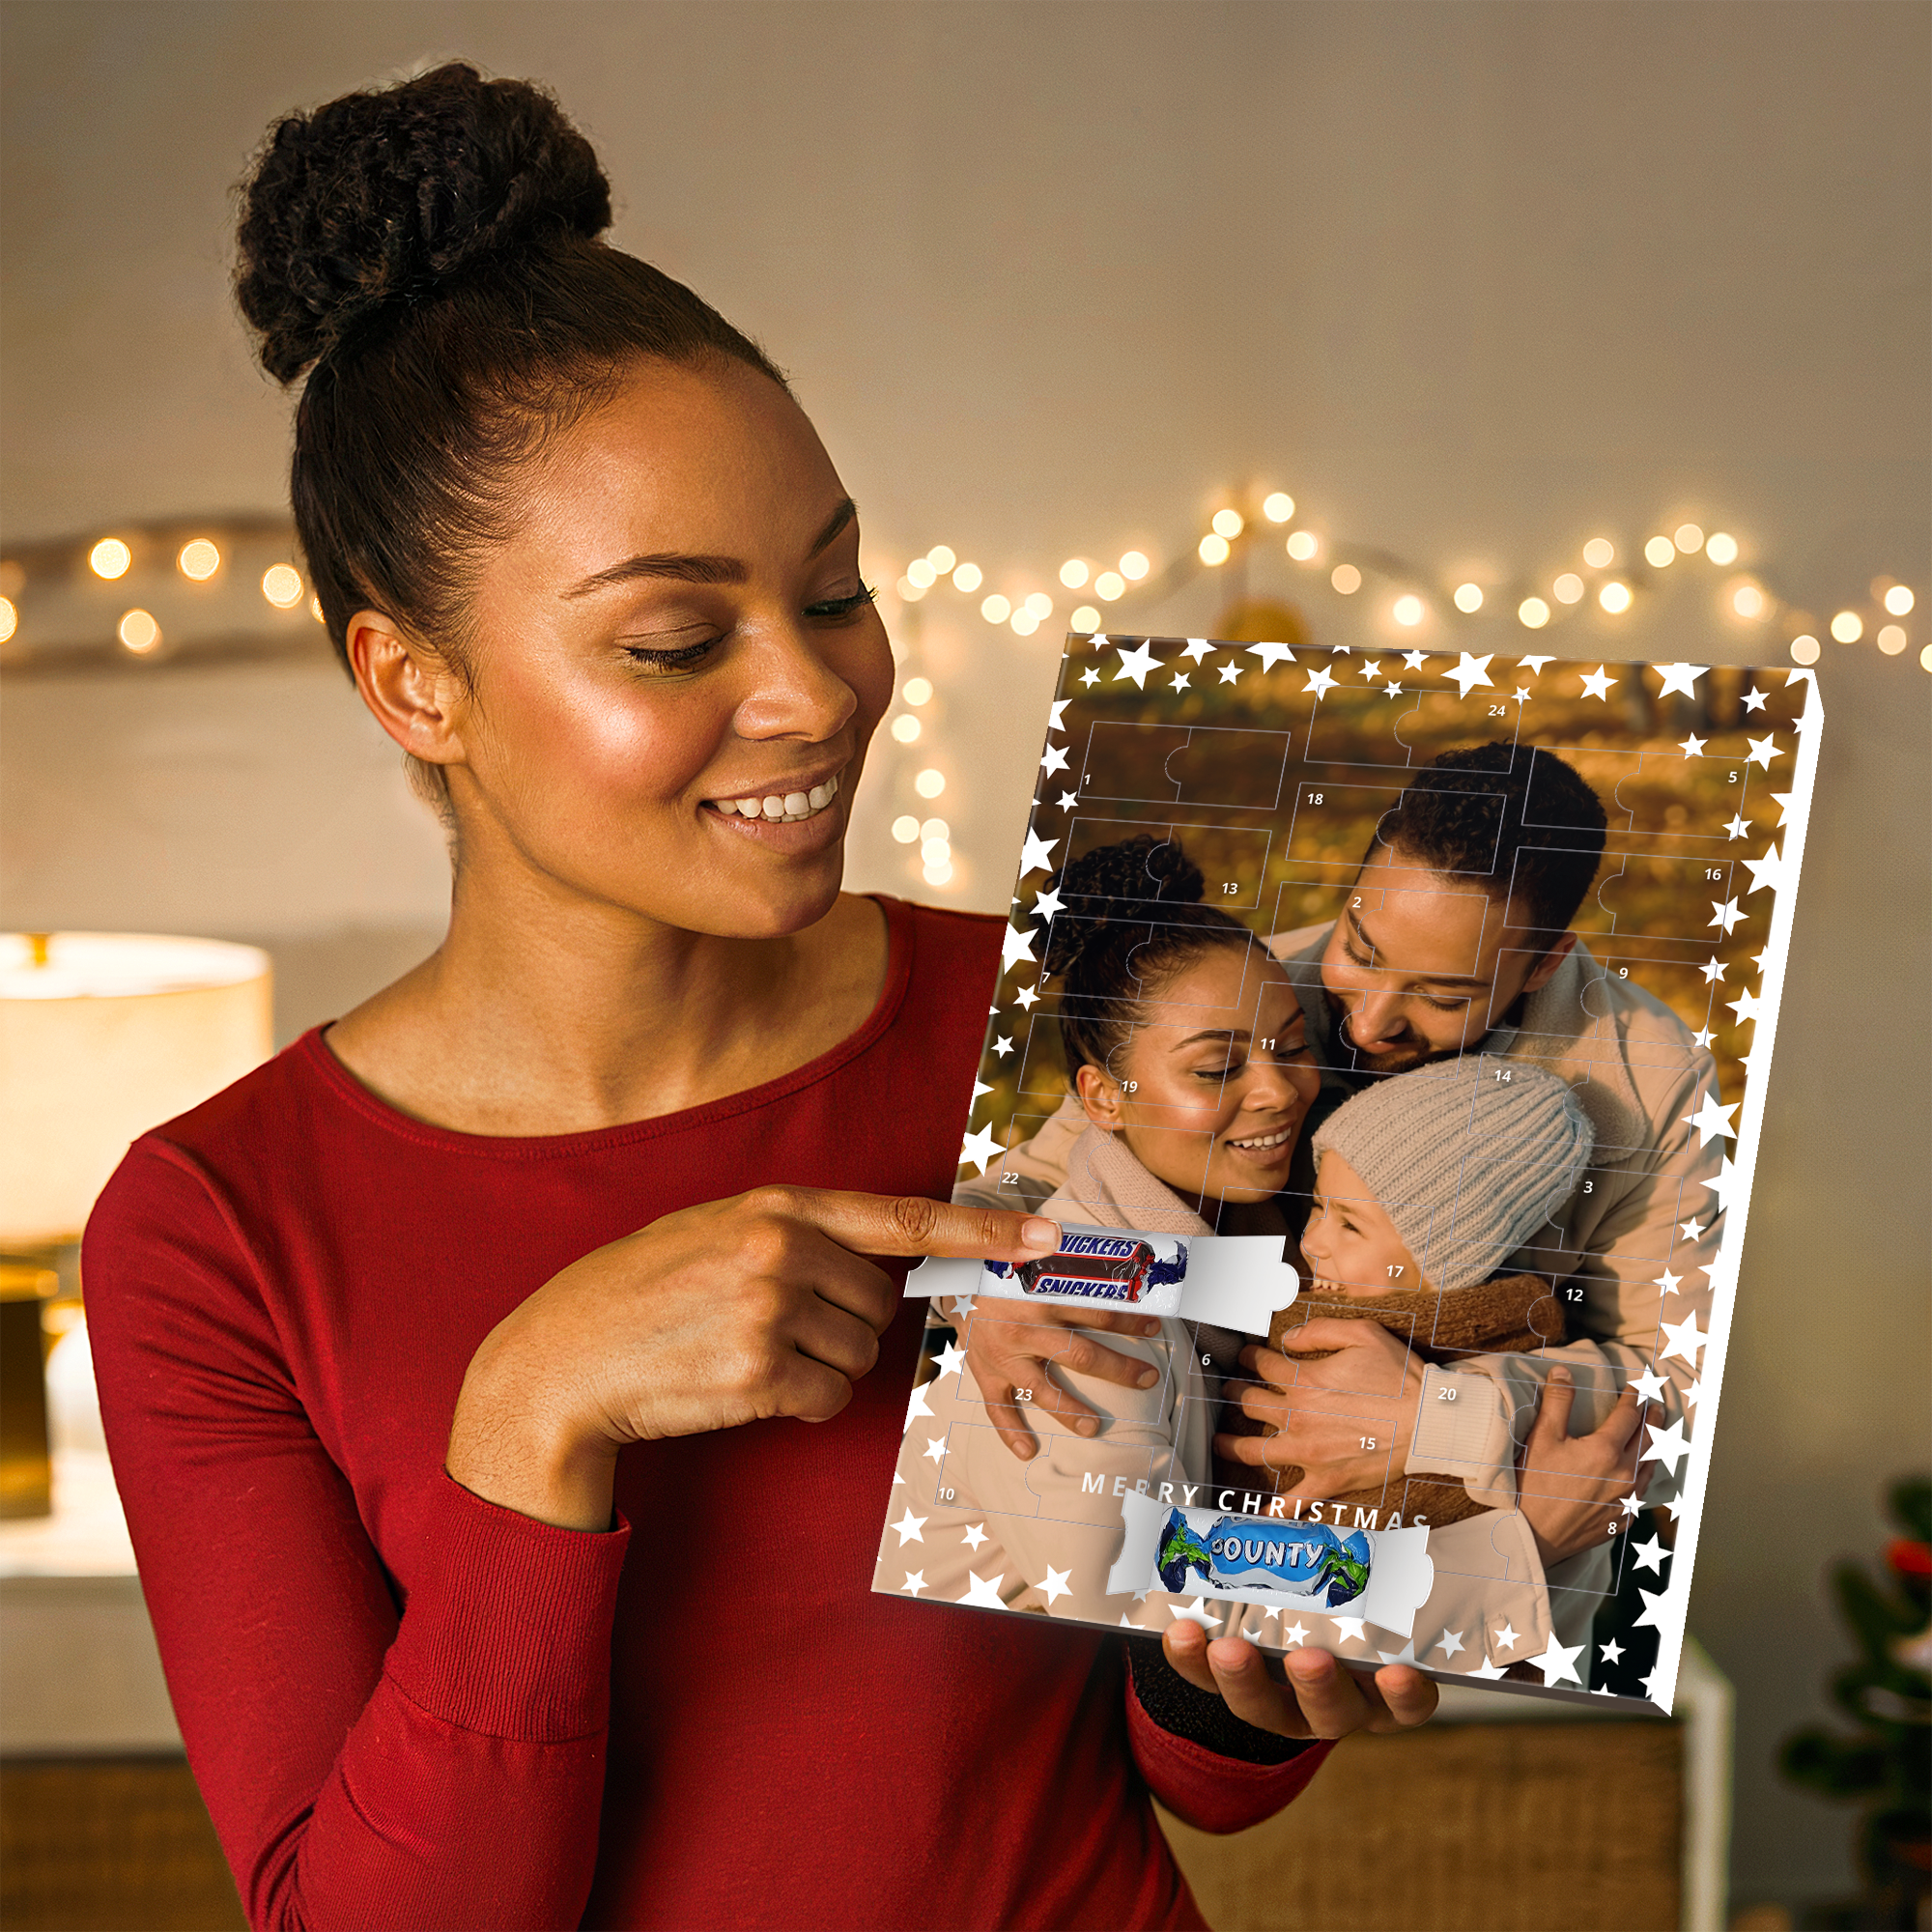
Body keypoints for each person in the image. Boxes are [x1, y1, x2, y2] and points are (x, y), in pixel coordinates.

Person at [78, 64, 1435, 1932]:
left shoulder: (1056, 1029)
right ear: (411, 684)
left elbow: (1167, 1753)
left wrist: (1247, 1682)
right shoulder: (218, 1228)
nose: (814, 697)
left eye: (837, 590)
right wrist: (532, 1415)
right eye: (675, 640)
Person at [963, 742, 1718, 1627]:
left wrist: (1437, 1423)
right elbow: (1022, 1201)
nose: (1364, 1018)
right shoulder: (1245, 992)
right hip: (1289, 1588)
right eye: (1360, 947)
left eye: (1441, 996)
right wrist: (988, 1290)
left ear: (1544, 963)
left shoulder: (1653, 1084)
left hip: (1473, 1603)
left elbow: (1682, 1392)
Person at [887, 836, 1320, 1624]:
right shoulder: (1080, 1309)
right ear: (1103, 1097)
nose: (1279, 1090)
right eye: (1217, 1070)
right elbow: (1136, 1580)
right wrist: (1475, 1577)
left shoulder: (1272, 1236)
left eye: (1293, 1046)